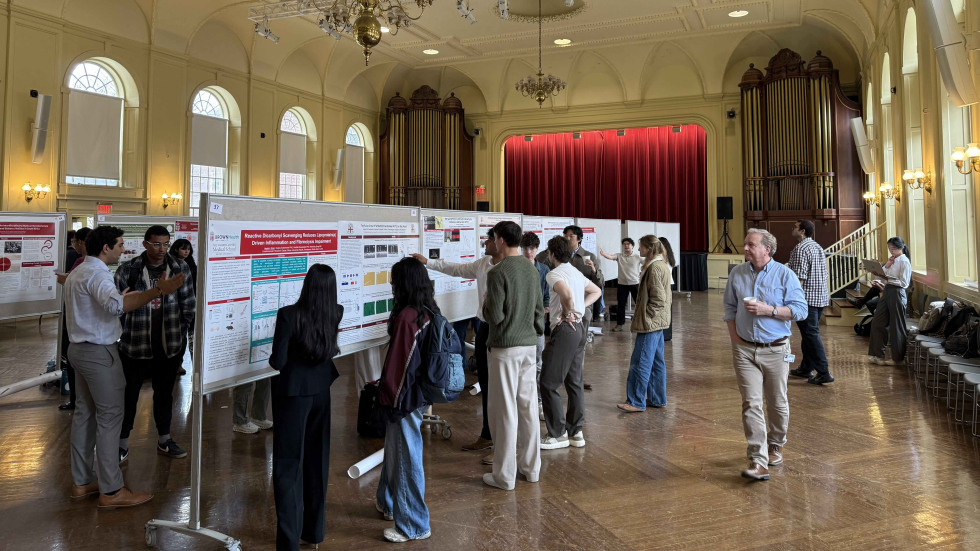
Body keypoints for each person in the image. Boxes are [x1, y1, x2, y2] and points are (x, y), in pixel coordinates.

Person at [64, 225, 184, 508]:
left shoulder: (79, 271)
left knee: (85, 414)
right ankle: (112, 490)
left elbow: (111, 303)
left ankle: (82, 482)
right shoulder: (98, 274)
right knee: (110, 418)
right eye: (119, 244)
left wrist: (125, 297)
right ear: (106, 248)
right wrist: (156, 291)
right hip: (98, 353)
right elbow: (117, 307)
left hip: (78, 350)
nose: (123, 249)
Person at [722, 229, 807, 481]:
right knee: (751, 402)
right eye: (745, 243)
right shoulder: (737, 273)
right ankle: (757, 459)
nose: (745, 248)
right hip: (744, 350)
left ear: (766, 249)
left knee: (777, 402)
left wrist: (768, 310)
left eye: (751, 245)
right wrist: (736, 341)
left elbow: (800, 310)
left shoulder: (785, 275)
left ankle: (776, 444)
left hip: (778, 350)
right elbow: (729, 308)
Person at [269, 264, 343, 550]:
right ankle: (314, 532)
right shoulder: (336, 311)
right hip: (322, 391)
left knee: (288, 465)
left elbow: (278, 361)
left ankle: (288, 543)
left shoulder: (288, 315)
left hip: (293, 395)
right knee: (317, 460)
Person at [410, 228, 501, 453]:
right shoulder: (483, 263)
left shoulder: (511, 268)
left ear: (499, 241)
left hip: (502, 332)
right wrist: (427, 262)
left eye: (489, 239)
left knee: (503, 388)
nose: (485, 242)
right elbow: (456, 269)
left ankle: (503, 445)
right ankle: (488, 435)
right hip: (485, 330)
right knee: (488, 385)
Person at [115, 225, 195, 462]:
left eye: (166, 244)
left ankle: (164, 439)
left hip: (169, 346)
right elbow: (117, 306)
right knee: (129, 396)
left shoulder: (179, 268)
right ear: (145, 244)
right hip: (135, 346)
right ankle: (121, 444)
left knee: (164, 396)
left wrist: (180, 333)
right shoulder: (128, 270)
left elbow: (189, 304)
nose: (162, 249)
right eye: (157, 244)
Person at [375, 257, 436, 543]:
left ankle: (414, 524)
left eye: (394, 280)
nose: (391, 285)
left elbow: (400, 366)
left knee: (406, 457)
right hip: (419, 394)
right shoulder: (427, 311)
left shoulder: (407, 317)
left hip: (405, 399)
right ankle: (388, 502)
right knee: (395, 450)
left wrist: (388, 399)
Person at [482, 221, 545, 491]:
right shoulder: (532, 270)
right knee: (529, 408)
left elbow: (494, 316)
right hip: (529, 344)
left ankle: (504, 476)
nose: (493, 242)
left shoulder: (497, 273)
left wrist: (486, 302)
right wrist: (533, 332)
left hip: (505, 348)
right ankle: (532, 469)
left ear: (501, 240)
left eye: (494, 238)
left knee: (504, 411)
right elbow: (539, 311)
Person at [540, 236, 601, 449]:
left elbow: (565, 294)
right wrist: (581, 309)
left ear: (553, 254)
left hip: (565, 330)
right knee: (574, 382)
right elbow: (597, 291)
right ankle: (576, 433)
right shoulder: (575, 272)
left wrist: (569, 311)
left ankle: (557, 434)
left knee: (548, 383)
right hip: (579, 330)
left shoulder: (553, 273)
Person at [536, 225, 603, 390]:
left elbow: (598, 285)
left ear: (579, 238)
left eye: (571, 236)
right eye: (565, 235)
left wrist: (594, 271)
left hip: (577, 312)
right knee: (567, 348)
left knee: (577, 349)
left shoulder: (588, 257)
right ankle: (571, 378)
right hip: (562, 309)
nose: (567, 238)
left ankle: (576, 375)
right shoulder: (555, 257)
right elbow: (543, 264)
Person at [616, 236, 672, 413]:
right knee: (656, 362)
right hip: (658, 322)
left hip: (651, 323)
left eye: (641, 248)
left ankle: (636, 401)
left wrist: (648, 317)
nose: (639, 251)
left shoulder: (655, 268)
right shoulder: (660, 264)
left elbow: (658, 299)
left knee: (640, 362)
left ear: (649, 249)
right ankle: (657, 398)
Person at [786, 220, 834, 385]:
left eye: (795, 227)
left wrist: (791, 299)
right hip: (820, 297)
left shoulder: (800, 249)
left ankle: (824, 372)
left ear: (802, 231)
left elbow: (799, 278)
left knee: (811, 335)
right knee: (809, 335)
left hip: (806, 299)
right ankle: (806, 368)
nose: (792, 228)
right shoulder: (816, 246)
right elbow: (824, 273)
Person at [58, 227, 91, 410]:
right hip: (81, 321)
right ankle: (78, 399)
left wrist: (65, 280)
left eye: (75, 242)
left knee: (74, 362)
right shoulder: (84, 261)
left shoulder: (82, 262)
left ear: (81, 242)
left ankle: (78, 400)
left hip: (77, 321)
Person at [868, 237, 912, 366]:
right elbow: (881, 275)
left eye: (893, 248)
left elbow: (904, 283)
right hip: (887, 291)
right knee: (878, 322)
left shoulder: (904, 261)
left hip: (897, 293)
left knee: (897, 326)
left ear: (901, 247)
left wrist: (887, 278)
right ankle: (877, 354)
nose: (891, 251)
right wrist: (886, 267)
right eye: (889, 248)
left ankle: (898, 359)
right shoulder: (893, 260)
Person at [519, 231, 550, 408]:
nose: (529, 252)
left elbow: (546, 295)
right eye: (526, 248)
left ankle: (537, 395)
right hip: (520, 320)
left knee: (538, 359)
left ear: (537, 249)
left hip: (537, 321)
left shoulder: (543, 270)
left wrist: (544, 310)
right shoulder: (517, 267)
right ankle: (523, 394)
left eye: (532, 249)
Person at [600, 238, 642, 332]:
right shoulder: (619, 256)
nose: (626, 246)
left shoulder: (637, 257)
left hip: (634, 283)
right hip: (622, 284)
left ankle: (641, 324)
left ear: (632, 246)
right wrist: (603, 254)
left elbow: (647, 263)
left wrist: (642, 272)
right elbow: (611, 256)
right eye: (624, 244)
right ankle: (619, 325)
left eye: (628, 244)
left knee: (639, 304)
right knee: (621, 305)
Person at [168, 239, 197, 376]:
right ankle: (174, 364)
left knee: (187, 337)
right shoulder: (170, 265)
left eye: (188, 249)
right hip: (174, 307)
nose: (186, 252)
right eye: (183, 249)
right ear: (175, 249)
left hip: (190, 305)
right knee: (175, 337)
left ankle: (180, 363)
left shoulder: (191, 264)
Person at [658, 236, 677, 342]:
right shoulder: (669, 255)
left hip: (664, 285)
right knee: (667, 309)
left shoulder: (661, 256)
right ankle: (666, 334)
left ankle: (664, 334)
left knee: (664, 310)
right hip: (668, 284)